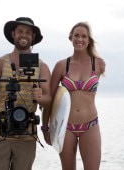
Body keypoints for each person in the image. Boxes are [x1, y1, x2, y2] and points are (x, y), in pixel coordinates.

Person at [0, 17, 51, 170]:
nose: (24, 35)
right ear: (13, 34)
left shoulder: (41, 66)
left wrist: (40, 98)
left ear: (33, 37)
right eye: (20, 31)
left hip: (27, 136)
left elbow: (49, 100)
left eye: (28, 32)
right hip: (1, 134)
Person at [43, 22, 106, 170]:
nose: (80, 39)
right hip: (66, 127)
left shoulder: (98, 64)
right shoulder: (61, 65)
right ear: (70, 38)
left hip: (90, 124)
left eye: (84, 36)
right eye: (76, 35)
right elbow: (50, 99)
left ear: (89, 40)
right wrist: (45, 127)